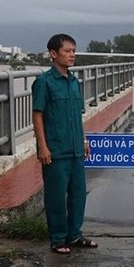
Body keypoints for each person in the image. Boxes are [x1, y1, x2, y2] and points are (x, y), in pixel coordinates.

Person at [32, 33, 97, 254]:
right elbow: (38, 115)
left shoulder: (73, 81)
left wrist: (84, 140)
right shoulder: (44, 82)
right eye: (67, 51)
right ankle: (58, 238)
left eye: (73, 51)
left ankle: (75, 235)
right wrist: (42, 145)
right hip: (56, 149)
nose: (72, 55)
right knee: (56, 196)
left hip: (76, 149)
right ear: (53, 53)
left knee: (79, 193)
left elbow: (78, 116)